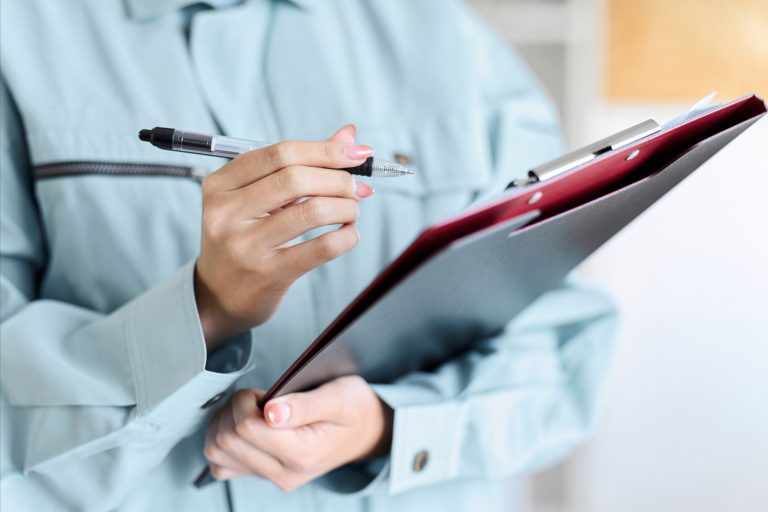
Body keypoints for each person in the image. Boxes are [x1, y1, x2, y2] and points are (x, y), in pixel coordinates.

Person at [0, 0, 618, 510]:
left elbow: (560, 345)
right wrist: (208, 309)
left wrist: (388, 426)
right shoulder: (20, 39)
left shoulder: (449, 40)